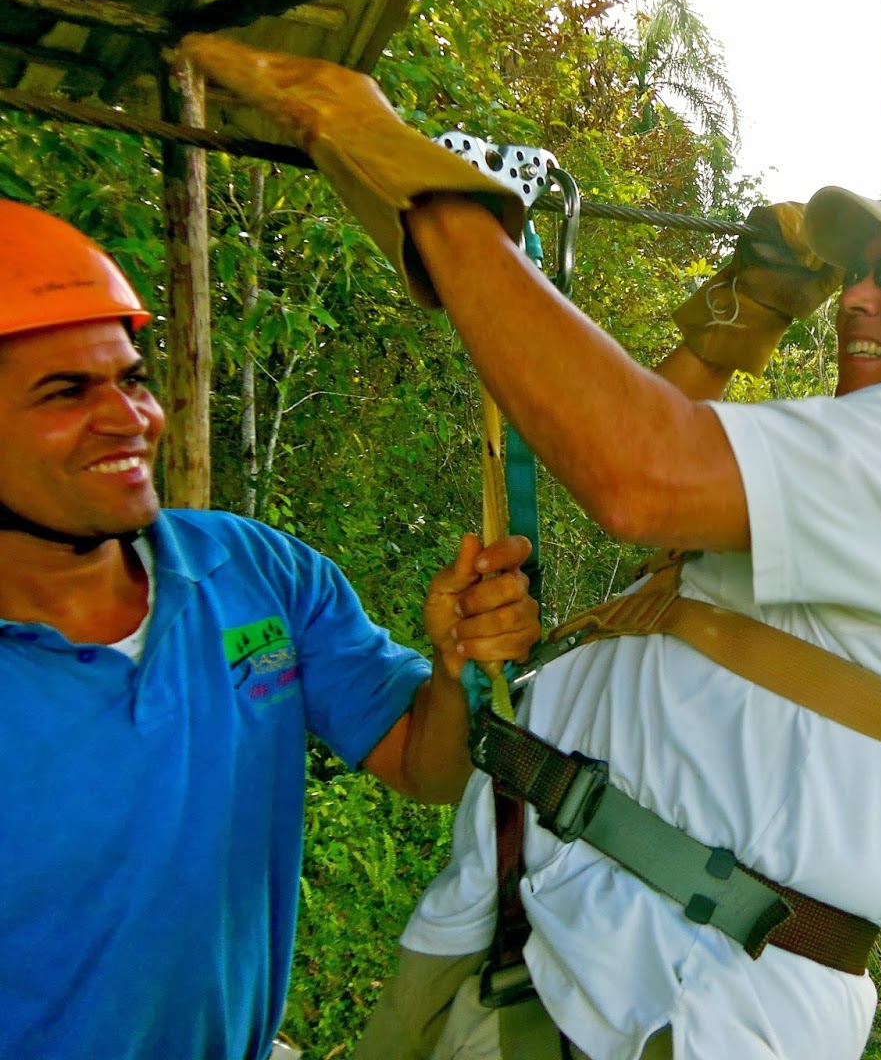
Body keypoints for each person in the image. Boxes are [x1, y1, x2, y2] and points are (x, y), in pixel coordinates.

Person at [179, 33, 881, 1060]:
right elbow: (626, 445)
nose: (855, 296)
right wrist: (731, 325)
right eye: (855, 271)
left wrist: (400, 163)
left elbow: (635, 473)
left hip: (659, 997)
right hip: (572, 946)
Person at [0, 199, 543, 1060]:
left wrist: (456, 665)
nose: (131, 418)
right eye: (66, 392)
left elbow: (424, 766)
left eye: (132, 379)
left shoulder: (255, 573)